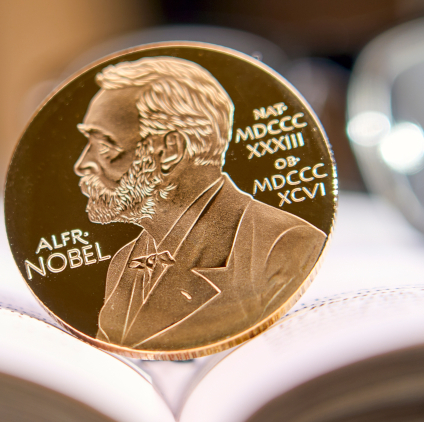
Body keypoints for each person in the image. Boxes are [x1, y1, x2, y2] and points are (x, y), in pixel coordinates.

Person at [74, 56, 326, 350]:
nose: (82, 164)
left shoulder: (286, 245)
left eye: (105, 145)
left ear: (170, 150)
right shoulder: (124, 262)